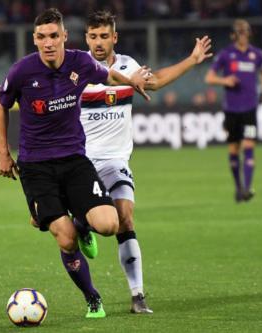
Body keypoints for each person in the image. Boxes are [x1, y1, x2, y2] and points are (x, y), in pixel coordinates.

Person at [0, 8, 150, 319]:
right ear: (34, 40)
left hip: (75, 160)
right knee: (64, 237)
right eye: (42, 37)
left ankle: (79, 222)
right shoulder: (22, 71)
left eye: (54, 36)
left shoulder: (80, 61)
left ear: (64, 36)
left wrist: (130, 81)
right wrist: (2, 151)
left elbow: (107, 75)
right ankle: (92, 297)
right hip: (37, 166)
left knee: (109, 224)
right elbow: (1, 106)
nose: (48, 42)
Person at [80, 10, 213, 314]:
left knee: (125, 217)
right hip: (82, 163)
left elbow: (158, 80)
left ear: (114, 37)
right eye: (92, 36)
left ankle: (137, 295)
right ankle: (81, 222)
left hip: (115, 160)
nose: (98, 42)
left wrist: (192, 60)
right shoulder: (79, 67)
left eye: (104, 36)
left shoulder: (129, 66)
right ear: (86, 37)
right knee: (100, 225)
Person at [205, 19, 262, 202]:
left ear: (249, 33)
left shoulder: (257, 55)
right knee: (234, 149)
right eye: (239, 32)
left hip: (250, 109)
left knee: (249, 146)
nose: (243, 35)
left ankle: (247, 188)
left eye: (246, 32)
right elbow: (209, 77)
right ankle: (238, 187)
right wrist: (224, 81)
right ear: (234, 35)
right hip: (231, 110)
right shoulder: (226, 55)